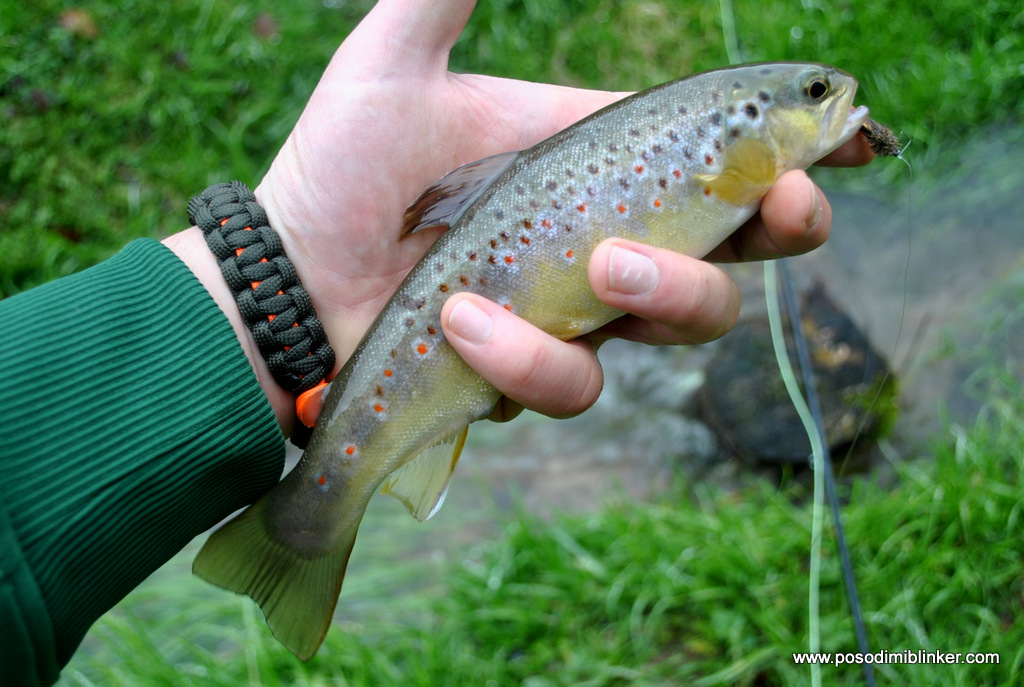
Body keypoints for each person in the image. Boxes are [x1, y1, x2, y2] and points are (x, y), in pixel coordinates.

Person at [0, 0, 874, 684]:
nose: (831, 98)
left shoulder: (732, 167)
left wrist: (276, 278)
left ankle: (317, 507)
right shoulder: (719, 162)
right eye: (812, 95)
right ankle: (305, 520)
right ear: (742, 126)